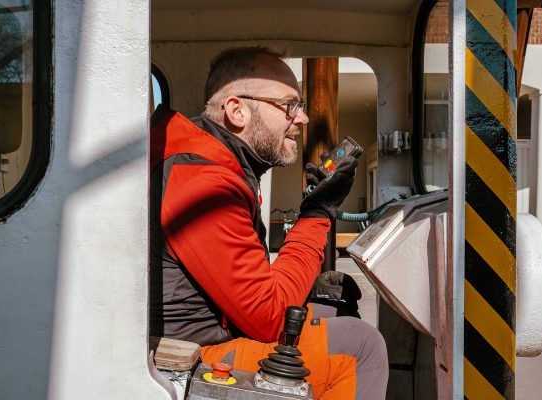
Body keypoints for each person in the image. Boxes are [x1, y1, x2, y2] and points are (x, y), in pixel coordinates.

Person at [150, 47, 388, 399]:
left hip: (211, 332)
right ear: (237, 111)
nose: (303, 118)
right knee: (362, 347)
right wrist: (318, 212)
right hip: (185, 355)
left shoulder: (222, 167)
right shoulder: (204, 183)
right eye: (289, 105)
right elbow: (269, 318)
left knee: (331, 305)